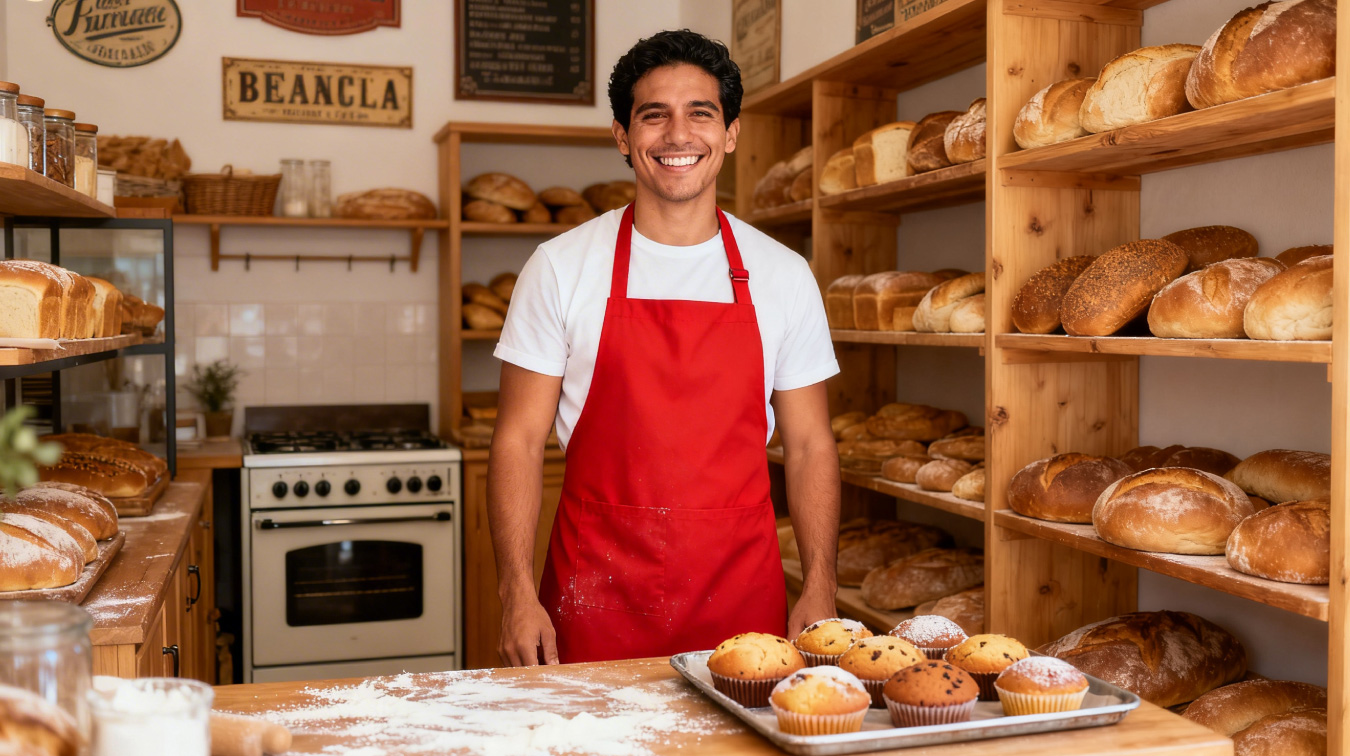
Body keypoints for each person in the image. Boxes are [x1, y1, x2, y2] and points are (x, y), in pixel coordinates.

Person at [488, 29, 841, 666]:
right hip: (594, 595)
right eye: (655, 115)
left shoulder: (783, 273)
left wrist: (820, 584)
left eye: (700, 113)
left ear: (730, 132)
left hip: (740, 601)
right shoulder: (561, 266)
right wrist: (515, 592)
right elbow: (515, 438)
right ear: (624, 137)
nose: (678, 136)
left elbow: (812, 442)